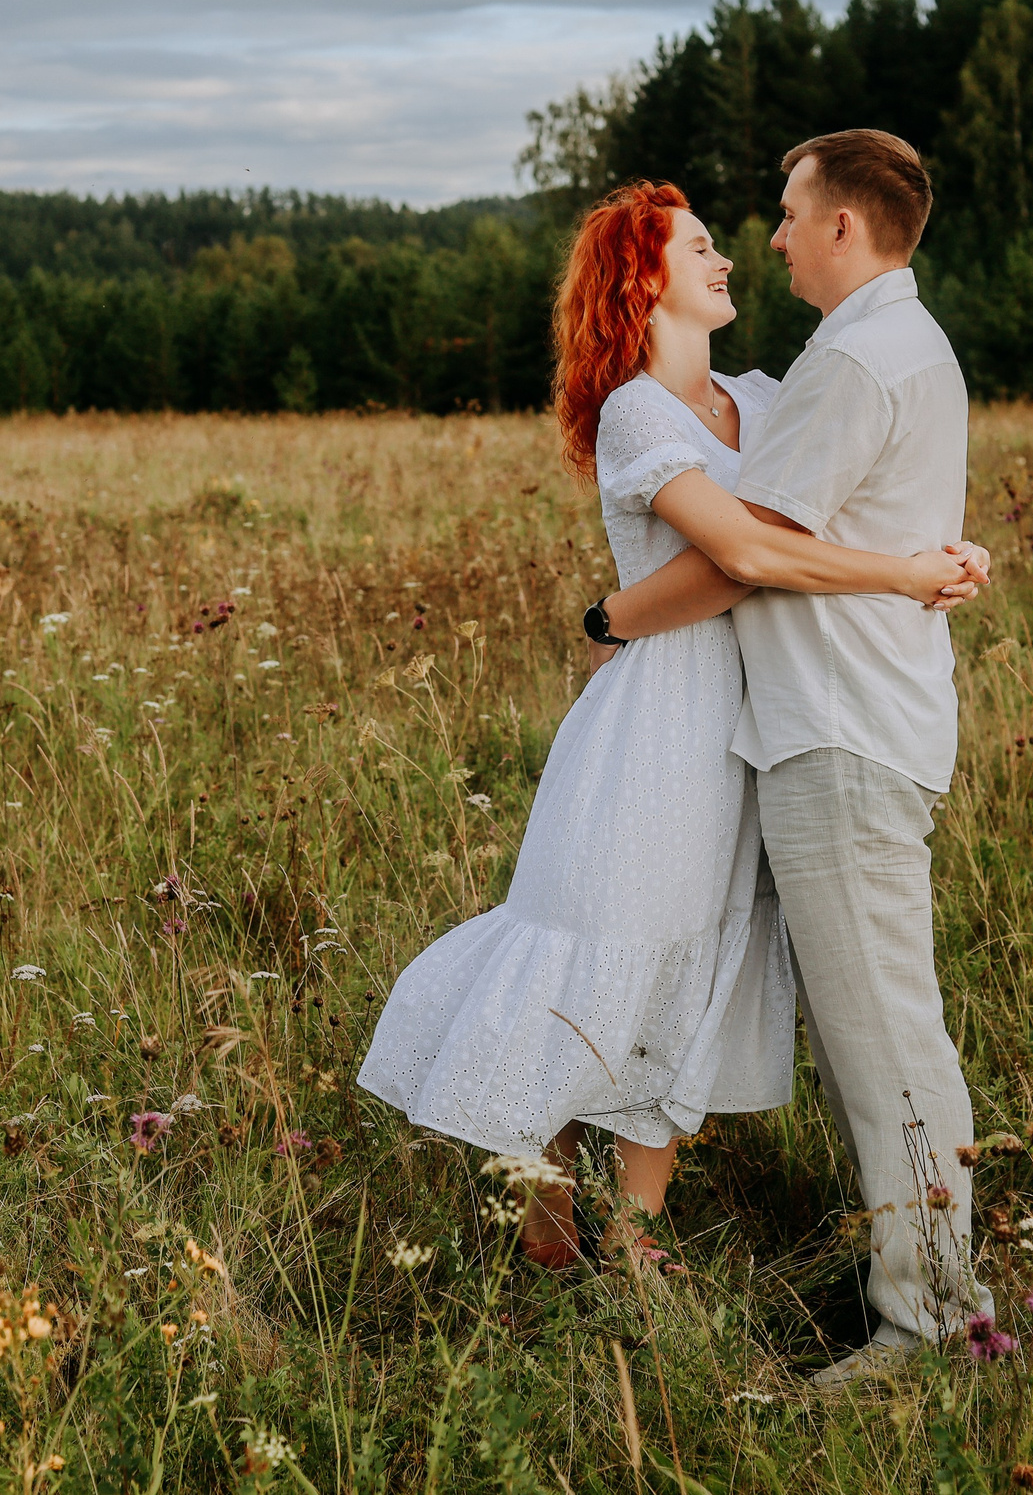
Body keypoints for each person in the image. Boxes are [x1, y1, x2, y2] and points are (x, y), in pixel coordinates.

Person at [357, 180, 989, 1269]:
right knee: (607, 940)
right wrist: (901, 574)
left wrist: (948, 545)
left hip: (753, 715)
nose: (730, 259)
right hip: (657, 718)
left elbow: (845, 492)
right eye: (699, 249)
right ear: (642, 280)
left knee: (691, 963)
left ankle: (636, 1232)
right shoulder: (635, 411)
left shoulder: (762, 394)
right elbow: (743, 552)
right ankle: (549, 1212)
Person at [602, 130, 992, 1381]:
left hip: (838, 728)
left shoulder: (849, 364)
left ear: (840, 226)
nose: (768, 236)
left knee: (885, 1038)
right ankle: (911, 1285)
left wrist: (608, 619)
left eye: (784, 212)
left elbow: (746, 558)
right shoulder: (894, 345)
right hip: (849, 721)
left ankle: (931, 1324)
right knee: (874, 1029)